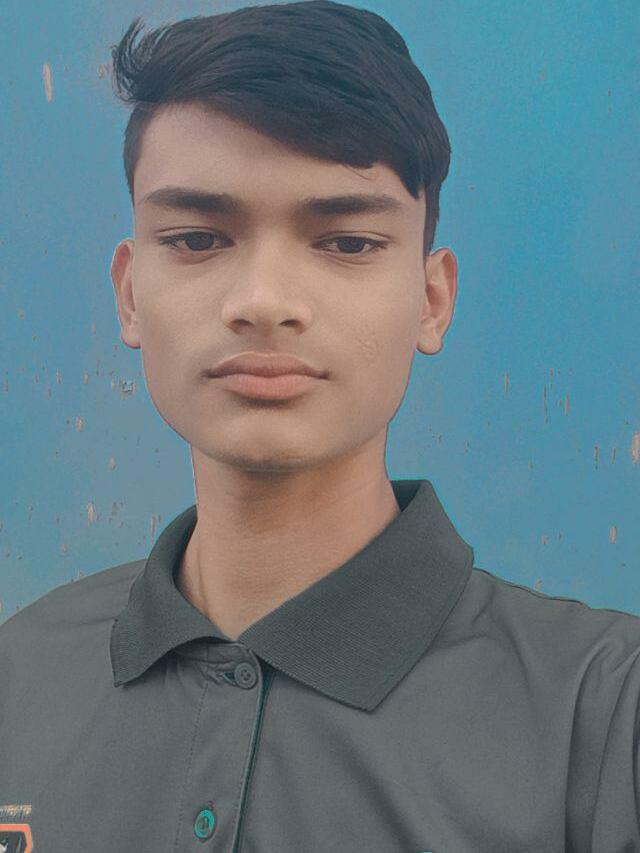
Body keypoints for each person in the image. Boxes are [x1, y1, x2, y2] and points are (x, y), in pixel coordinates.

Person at [1, 2, 638, 850]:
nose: (264, 301)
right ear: (128, 294)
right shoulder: (19, 674)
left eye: (347, 243)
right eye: (197, 238)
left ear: (432, 298)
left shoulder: (603, 709)